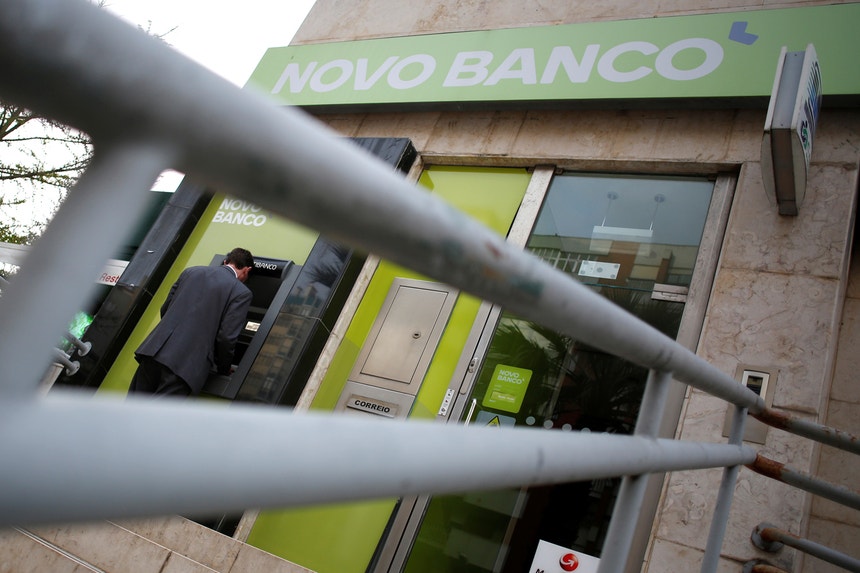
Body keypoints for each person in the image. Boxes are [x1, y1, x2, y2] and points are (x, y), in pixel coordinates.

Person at [128, 247, 255, 398]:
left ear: (226, 261)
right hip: (185, 364)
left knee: (133, 406)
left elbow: (166, 308)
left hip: (154, 352)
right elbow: (226, 337)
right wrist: (223, 368)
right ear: (247, 270)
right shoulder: (241, 292)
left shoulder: (191, 272)